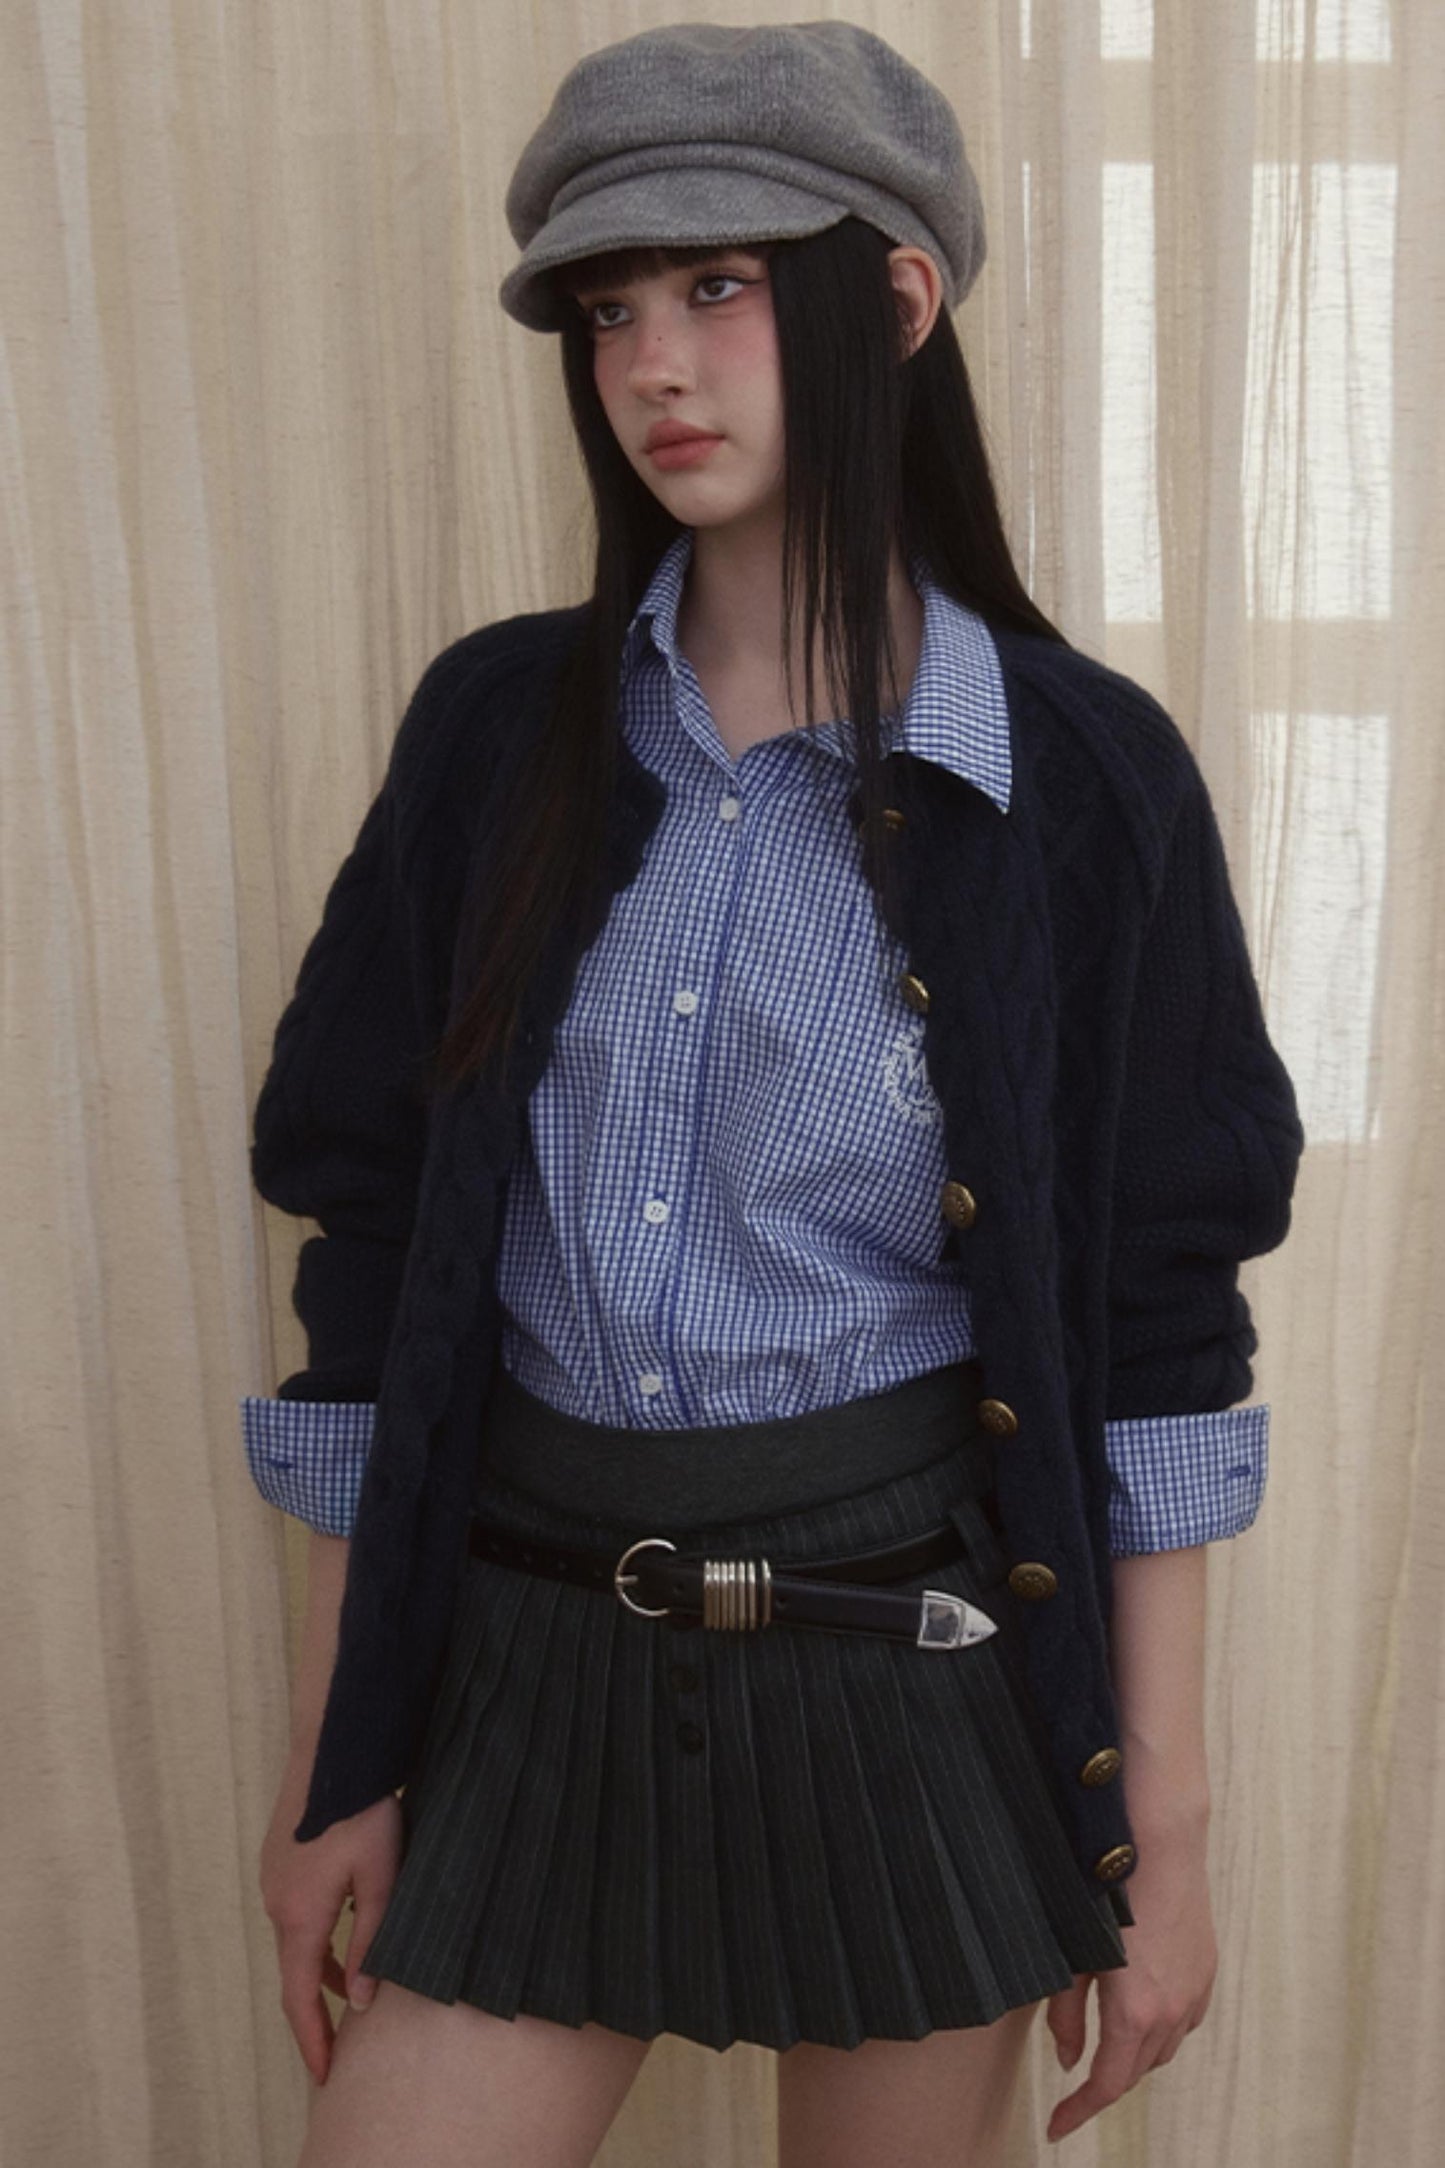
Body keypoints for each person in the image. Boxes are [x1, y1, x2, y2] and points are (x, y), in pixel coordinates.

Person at [243, 22, 1305, 2168]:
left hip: (916, 1670)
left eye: (719, 286)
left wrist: (1162, 1835)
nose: (653, 366)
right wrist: (339, 1757)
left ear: (894, 301)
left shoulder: (1078, 781)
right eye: (609, 308)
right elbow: (372, 1261)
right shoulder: (492, 737)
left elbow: (1158, 1327)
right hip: (527, 1654)